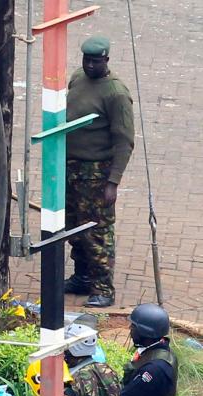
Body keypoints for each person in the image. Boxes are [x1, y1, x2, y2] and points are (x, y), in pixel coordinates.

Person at [64, 36, 135, 308]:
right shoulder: (78, 78)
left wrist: (113, 182)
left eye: (96, 60)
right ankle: (82, 277)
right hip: (72, 168)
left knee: (97, 232)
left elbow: (124, 140)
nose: (90, 65)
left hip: (97, 172)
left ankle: (103, 287)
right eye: (87, 60)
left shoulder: (115, 93)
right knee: (74, 227)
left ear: (106, 60)